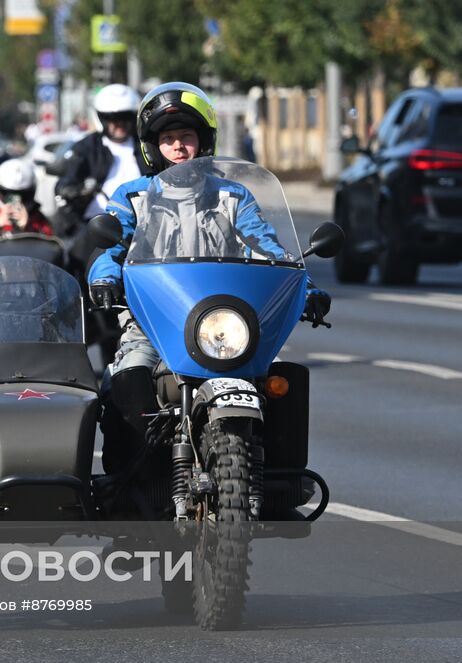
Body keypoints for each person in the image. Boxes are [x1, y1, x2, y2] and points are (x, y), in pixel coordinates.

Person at [86, 83, 332, 485]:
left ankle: (281, 482)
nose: (178, 147)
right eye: (168, 139)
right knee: (127, 375)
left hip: (223, 324)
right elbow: (110, 248)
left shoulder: (234, 197)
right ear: (154, 147)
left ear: (203, 141)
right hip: (153, 325)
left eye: (186, 136)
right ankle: (131, 483)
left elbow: (271, 251)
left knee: (281, 382)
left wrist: (305, 290)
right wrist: (105, 278)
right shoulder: (133, 197)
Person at [55, 84, 143, 231]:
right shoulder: (86, 147)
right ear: (102, 118)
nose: (120, 124)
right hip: (96, 224)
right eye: (113, 118)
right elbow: (67, 179)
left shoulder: (146, 146)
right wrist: (74, 190)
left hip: (142, 224)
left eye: (125, 117)